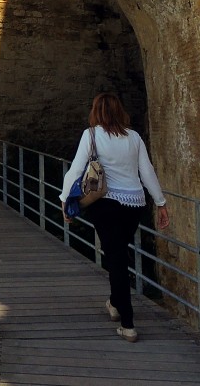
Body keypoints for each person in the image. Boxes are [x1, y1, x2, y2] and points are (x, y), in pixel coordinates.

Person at [60, 93, 170, 343]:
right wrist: (160, 202)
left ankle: (128, 323)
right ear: (120, 111)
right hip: (134, 204)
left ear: (96, 111)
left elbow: (76, 169)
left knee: (116, 257)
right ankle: (114, 303)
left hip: (105, 203)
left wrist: (65, 200)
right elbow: (147, 171)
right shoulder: (134, 137)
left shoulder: (91, 135)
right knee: (118, 254)